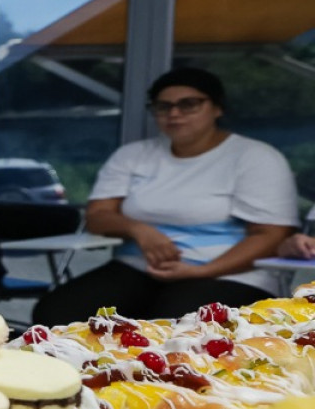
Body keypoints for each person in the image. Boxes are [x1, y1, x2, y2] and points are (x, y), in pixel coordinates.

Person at [33, 67, 299, 325]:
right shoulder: (133, 155)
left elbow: (271, 235)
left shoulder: (255, 157)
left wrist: (202, 271)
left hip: (231, 273)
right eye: (163, 106)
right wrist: (138, 230)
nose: (174, 113)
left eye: (189, 104)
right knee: (56, 315)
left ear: (218, 108)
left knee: (174, 328)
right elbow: (98, 216)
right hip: (139, 267)